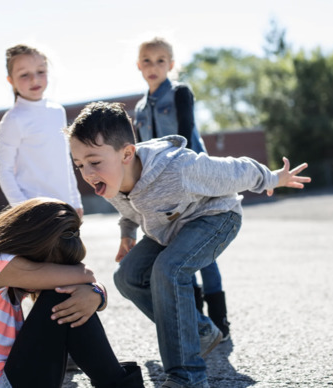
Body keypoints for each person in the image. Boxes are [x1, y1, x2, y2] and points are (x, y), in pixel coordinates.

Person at [65, 102, 311, 388]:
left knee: (168, 270)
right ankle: (199, 331)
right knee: (127, 278)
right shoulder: (109, 178)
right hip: (170, 229)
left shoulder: (178, 168)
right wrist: (127, 235)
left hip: (216, 217)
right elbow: (129, 209)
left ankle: (189, 377)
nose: (87, 173)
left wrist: (272, 178)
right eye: (79, 165)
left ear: (127, 154)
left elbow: (235, 170)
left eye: (94, 162)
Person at [0, 197, 144, 388]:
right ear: (33, 245)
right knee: (61, 295)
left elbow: (86, 280)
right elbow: (85, 274)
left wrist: (97, 294)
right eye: (52, 267)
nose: (52, 276)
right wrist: (94, 291)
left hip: (0, 380)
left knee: (67, 295)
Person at [132, 37, 228, 339]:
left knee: (203, 253)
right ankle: (198, 322)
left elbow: (186, 133)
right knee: (179, 250)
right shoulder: (139, 107)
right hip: (161, 189)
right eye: (147, 60)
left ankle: (220, 320)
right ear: (138, 65)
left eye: (161, 60)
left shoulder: (180, 93)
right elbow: (140, 151)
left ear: (171, 65)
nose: (153, 66)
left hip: (193, 181)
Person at [0, 44, 83, 217]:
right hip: (36, 212)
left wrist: (75, 200)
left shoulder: (58, 111)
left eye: (40, 72)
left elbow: (65, 160)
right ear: (11, 80)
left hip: (65, 207)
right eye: (24, 75)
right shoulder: (13, 119)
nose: (34, 80)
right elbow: (3, 169)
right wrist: (23, 208)